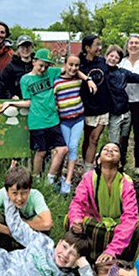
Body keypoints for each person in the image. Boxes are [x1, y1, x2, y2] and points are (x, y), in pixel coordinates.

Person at [66, 143, 139, 263]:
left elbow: (130, 216)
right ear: (98, 160)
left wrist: (112, 250)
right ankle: (77, 259)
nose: (110, 151)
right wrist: (75, 220)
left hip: (119, 223)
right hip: (97, 219)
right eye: (106, 149)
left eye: (115, 150)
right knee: (70, 219)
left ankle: (132, 265)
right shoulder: (89, 178)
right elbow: (77, 203)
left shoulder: (126, 183)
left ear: (120, 161)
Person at [0, 49, 74, 182]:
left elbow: (70, 68)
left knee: (62, 149)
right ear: (34, 62)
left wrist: (88, 79)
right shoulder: (25, 79)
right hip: (37, 121)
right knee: (41, 152)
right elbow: (28, 101)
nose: (43, 69)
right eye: (41, 65)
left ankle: (49, 179)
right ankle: (36, 178)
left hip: (53, 119)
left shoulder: (51, 73)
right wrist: (11, 103)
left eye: (46, 66)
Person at [0, 165, 53, 249]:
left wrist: (22, 224)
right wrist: (8, 230)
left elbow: (47, 223)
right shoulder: (2, 193)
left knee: (40, 219)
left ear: (30, 189)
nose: (19, 198)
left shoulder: (36, 195)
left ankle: (33, 248)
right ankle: (2, 248)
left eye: (24, 193)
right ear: (7, 191)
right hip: (9, 230)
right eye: (14, 193)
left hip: (29, 233)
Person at [104, 44, 139, 169]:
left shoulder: (122, 73)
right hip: (113, 112)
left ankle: (121, 164)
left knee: (124, 139)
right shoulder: (102, 71)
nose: (113, 59)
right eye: (111, 56)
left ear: (119, 60)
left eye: (116, 57)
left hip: (126, 110)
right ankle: (112, 166)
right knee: (114, 141)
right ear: (106, 56)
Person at [118, 34, 139, 175]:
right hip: (123, 102)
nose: (133, 45)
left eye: (136, 43)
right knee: (122, 135)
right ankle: (120, 162)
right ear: (127, 46)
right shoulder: (121, 63)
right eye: (131, 43)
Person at [79, 34, 112, 172]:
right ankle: (85, 162)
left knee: (94, 138)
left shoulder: (103, 62)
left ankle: (88, 170)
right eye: (96, 45)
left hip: (103, 107)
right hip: (86, 107)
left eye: (100, 45)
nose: (99, 48)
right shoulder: (79, 63)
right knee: (87, 139)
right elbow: (71, 70)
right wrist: (87, 79)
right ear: (87, 47)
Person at [53, 54, 84, 195]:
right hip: (63, 120)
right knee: (63, 150)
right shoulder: (57, 83)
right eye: (70, 65)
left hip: (78, 118)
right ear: (64, 65)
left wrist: (87, 79)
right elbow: (54, 102)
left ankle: (68, 180)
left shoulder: (78, 80)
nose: (73, 68)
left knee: (73, 146)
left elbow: (82, 77)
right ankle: (58, 176)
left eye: (76, 65)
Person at [0, 35, 34, 99]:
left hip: (35, 100)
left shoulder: (37, 65)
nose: (25, 49)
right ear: (18, 48)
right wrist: (10, 96)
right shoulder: (10, 67)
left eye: (28, 46)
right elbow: (3, 85)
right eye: (22, 46)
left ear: (31, 47)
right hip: (17, 100)